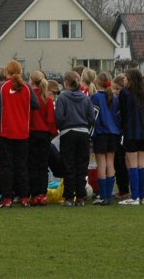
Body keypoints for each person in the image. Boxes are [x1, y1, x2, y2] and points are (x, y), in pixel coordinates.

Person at [0, 60, 39, 208]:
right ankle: (24, 196)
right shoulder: (26, 87)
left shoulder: (1, 87)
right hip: (23, 132)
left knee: (7, 166)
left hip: (6, 131)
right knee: (22, 166)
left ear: (7, 72)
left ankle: (7, 198)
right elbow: (36, 105)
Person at [55, 71, 95, 207]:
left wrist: (63, 126)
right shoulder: (85, 98)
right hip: (83, 133)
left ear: (66, 83)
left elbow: (59, 117)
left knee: (69, 165)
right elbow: (92, 118)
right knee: (82, 166)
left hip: (68, 133)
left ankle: (69, 197)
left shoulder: (62, 97)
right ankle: (81, 197)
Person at [118, 69, 144, 206]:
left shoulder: (124, 93)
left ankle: (135, 197)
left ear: (130, 79)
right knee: (142, 164)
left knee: (133, 165)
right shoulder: (143, 93)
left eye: (125, 77)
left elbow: (122, 113)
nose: (124, 80)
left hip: (131, 132)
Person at [28, 70, 57, 206]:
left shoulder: (29, 97)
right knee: (43, 165)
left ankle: (34, 194)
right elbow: (51, 120)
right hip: (44, 134)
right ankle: (42, 194)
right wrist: (51, 133)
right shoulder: (47, 99)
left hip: (31, 133)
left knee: (33, 164)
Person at [91, 72, 121, 206]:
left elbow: (94, 118)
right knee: (111, 163)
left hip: (101, 133)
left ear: (98, 83)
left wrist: (91, 134)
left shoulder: (96, 97)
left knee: (101, 163)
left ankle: (103, 195)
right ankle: (109, 195)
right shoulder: (115, 97)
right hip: (114, 133)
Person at [111, 74, 129, 199]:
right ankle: (122, 189)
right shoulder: (115, 100)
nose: (116, 92)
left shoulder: (124, 100)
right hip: (117, 133)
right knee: (118, 163)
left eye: (118, 89)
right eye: (114, 89)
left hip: (122, 134)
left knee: (121, 162)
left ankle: (124, 190)